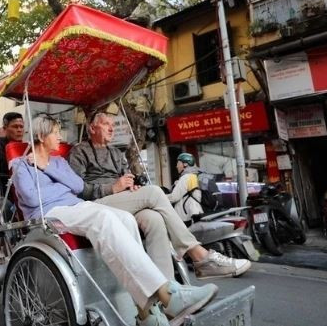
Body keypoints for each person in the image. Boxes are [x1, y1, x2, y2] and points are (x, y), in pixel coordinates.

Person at [13, 115, 218, 326]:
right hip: (50, 212)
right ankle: (168, 295)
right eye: (55, 132)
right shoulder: (21, 165)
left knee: (125, 219)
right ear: (40, 135)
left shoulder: (57, 162)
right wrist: (60, 187)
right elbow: (31, 197)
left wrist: (47, 169)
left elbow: (77, 186)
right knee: (103, 216)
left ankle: (145, 312)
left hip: (74, 205)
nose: (60, 136)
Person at [69, 112, 250, 280]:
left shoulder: (116, 153)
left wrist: (132, 184)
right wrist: (112, 188)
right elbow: (77, 188)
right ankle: (199, 255)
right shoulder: (79, 151)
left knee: (154, 218)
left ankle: (168, 291)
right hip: (95, 203)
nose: (111, 128)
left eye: (112, 124)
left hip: (121, 200)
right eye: (105, 124)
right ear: (92, 128)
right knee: (155, 191)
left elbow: (127, 176)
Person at [168, 153, 204, 223]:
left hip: (186, 215)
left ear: (185, 164)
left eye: (178, 163)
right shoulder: (194, 175)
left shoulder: (186, 177)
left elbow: (174, 197)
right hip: (195, 211)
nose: (176, 166)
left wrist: (160, 197)